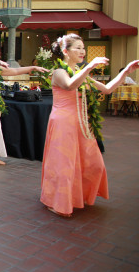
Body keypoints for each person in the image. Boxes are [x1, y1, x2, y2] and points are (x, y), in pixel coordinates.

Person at [40, 33, 139, 217]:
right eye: (77, 47)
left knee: (94, 163)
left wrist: (125, 71)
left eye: (83, 47)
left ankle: (80, 195)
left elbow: (107, 89)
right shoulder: (59, 72)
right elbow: (70, 85)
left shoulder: (81, 73)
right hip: (63, 123)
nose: (82, 51)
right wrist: (90, 67)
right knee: (64, 165)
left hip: (82, 124)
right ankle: (56, 202)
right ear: (65, 51)